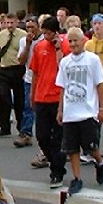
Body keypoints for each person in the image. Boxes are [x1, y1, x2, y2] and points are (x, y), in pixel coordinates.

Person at [56, 27, 103, 195]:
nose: (73, 44)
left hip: (87, 111)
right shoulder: (65, 62)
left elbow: (100, 84)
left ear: (83, 41)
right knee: (72, 148)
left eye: (75, 40)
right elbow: (62, 87)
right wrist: (60, 109)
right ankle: (77, 178)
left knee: (90, 147)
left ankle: (100, 162)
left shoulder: (92, 60)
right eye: (70, 41)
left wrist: (102, 108)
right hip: (71, 112)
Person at [29, 15, 70, 189]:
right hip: (42, 97)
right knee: (42, 136)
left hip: (58, 97)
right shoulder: (39, 47)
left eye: (48, 33)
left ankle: (57, 171)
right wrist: (32, 94)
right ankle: (54, 162)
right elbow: (35, 73)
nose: (45, 36)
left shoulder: (65, 45)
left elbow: (65, 67)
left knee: (58, 137)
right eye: (43, 33)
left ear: (55, 32)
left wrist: (59, 48)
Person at [0, 13, 26, 138]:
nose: (10, 25)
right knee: (4, 97)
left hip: (18, 70)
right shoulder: (0, 36)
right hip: (4, 69)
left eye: (12, 23)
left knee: (19, 100)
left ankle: (22, 127)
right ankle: (4, 126)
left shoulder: (23, 35)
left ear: (17, 22)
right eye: (7, 23)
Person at [14, 16, 42, 149]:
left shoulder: (44, 40)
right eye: (27, 28)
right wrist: (27, 45)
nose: (30, 30)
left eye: (32, 27)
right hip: (30, 78)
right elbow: (21, 60)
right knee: (28, 106)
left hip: (44, 79)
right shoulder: (23, 41)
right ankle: (26, 132)